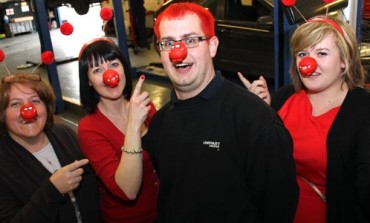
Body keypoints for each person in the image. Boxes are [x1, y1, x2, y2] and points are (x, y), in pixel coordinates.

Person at [126, 2, 299, 222]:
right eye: (168, 43)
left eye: (190, 40)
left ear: (213, 46)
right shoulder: (160, 122)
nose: (179, 52)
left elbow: (279, 209)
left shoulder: (256, 121)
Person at [238, 15, 370, 222]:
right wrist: (259, 113)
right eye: (303, 53)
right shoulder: (285, 97)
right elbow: (255, 162)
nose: (309, 63)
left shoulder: (363, 109)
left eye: (322, 53)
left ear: (344, 61)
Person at [0, 73, 102, 222]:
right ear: (2, 114)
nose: (28, 110)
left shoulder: (64, 133)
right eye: (15, 104)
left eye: (35, 101)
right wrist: (52, 191)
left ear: (46, 108)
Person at [77, 38, 158, 223]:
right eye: (97, 70)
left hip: (166, 210)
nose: (109, 74)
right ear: (88, 81)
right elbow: (126, 190)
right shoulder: (89, 128)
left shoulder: (145, 107)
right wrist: (133, 125)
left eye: (114, 64)